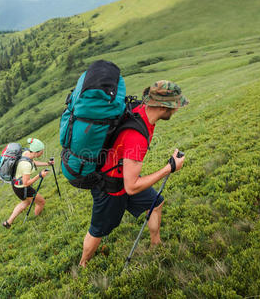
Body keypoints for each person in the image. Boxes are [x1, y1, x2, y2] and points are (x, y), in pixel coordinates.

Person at [79, 80, 189, 266]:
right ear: (164, 107)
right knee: (98, 230)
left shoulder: (139, 109)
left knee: (156, 203)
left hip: (121, 176)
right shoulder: (137, 137)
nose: (176, 110)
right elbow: (132, 187)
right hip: (110, 188)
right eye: (175, 106)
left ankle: (156, 244)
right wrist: (169, 168)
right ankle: (82, 264)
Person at [2, 138, 54, 228]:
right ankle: (38, 219)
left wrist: (47, 164)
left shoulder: (25, 153)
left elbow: (33, 162)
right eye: (42, 151)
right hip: (23, 187)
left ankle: (8, 222)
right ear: (36, 152)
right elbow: (26, 183)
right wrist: (40, 175)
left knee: (25, 202)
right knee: (41, 202)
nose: (42, 152)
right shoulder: (26, 165)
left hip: (16, 185)